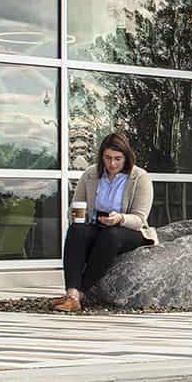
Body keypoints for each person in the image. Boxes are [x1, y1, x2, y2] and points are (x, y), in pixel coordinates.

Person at [51, 132, 158, 312]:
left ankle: (79, 294)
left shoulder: (140, 177)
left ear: (126, 157)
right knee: (76, 231)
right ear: (101, 157)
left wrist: (119, 218)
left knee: (111, 235)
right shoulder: (91, 174)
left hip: (128, 229)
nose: (112, 163)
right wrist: (78, 215)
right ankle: (71, 294)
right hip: (97, 224)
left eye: (117, 159)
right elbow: (76, 206)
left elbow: (139, 219)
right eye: (107, 158)